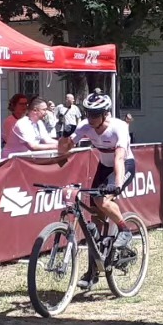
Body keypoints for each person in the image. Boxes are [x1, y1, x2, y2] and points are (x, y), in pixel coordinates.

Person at [59, 92, 136, 279]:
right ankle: (93, 271)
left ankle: (125, 230)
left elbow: (119, 159)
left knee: (102, 201)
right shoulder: (85, 126)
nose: (90, 118)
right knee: (95, 220)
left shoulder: (118, 127)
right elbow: (63, 150)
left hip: (124, 165)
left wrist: (117, 185)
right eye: (88, 113)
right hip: (104, 167)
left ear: (105, 113)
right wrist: (65, 136)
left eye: (95, 114)